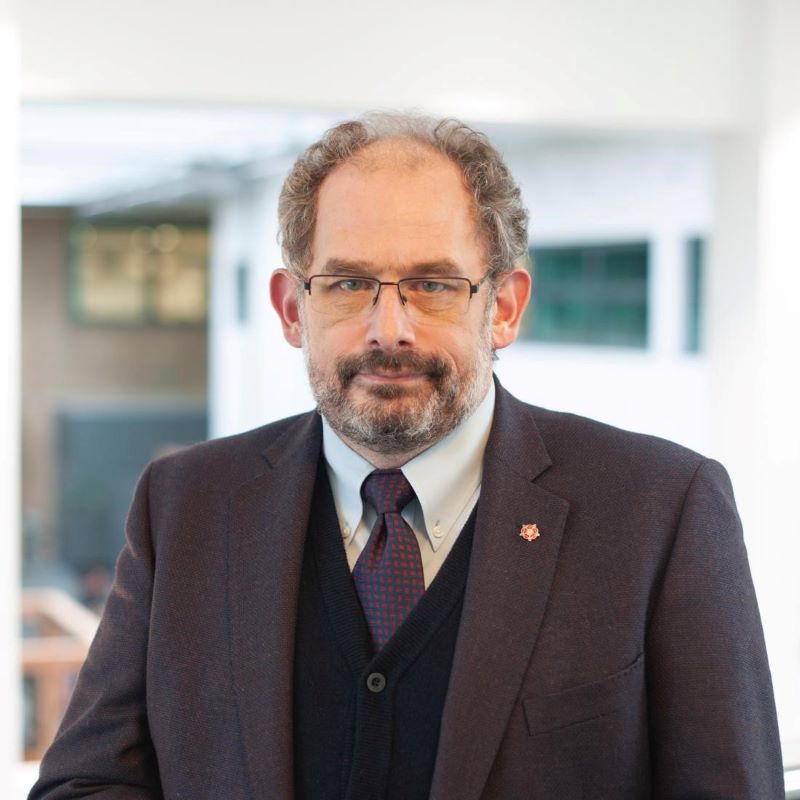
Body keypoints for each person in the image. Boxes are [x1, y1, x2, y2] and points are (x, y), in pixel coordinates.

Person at [30, 114, 784, 800]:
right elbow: (85, 784)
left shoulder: (661, 509)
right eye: (349, 283)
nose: (388, 329)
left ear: (506, 305)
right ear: (293, 309)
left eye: (431, 284)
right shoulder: (186, 504)